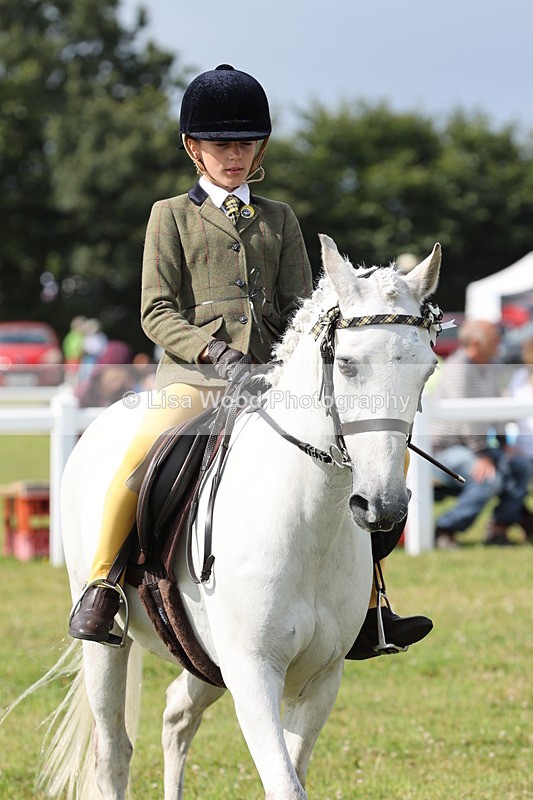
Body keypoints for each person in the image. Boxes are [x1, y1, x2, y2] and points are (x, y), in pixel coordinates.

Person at [68, 64, 432, 658]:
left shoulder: (280, 218)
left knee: (365, 460)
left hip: (271, 380)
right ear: (194, 148)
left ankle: (368, 604)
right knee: (140, 459)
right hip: (197, 380)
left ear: (260, 146)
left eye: (244, 144)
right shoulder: (170, 216)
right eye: (220, 145)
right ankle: (102, 584)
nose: (233, 156)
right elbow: (156, 312)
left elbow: (298, 307)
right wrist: (215, 352)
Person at [432, 319, 532, 548]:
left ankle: (500, 527)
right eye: (495, 340)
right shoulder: (457, 368)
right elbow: (463, 418)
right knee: (488, 477)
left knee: (520, 466)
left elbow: (495, 409)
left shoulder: (489, 365)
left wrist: (504, 442)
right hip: (444, 449)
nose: (500, 345)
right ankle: (445, 528)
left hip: (473, 446)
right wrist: (483, 454)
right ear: (477, 343)